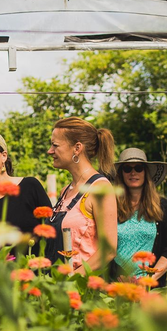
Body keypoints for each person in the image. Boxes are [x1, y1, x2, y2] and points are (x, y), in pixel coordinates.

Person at [47, 117, 117, 273]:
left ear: (77, 148)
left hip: (81, 290)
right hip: (55, 286)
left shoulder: (99, 189)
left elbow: (109, 250)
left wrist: (73, 280)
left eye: (55, 145)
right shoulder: (65, 190)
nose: (50, 151)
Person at [114, 147, 167, 287]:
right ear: (121, 174)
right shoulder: (111, 207)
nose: (133, 172)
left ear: (146, 173)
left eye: (138, 168)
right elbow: (101, 245)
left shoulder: (163, 207)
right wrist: (118, 277)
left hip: (151, 287)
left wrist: (149, 279)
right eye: (127, 168)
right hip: (117, 286)